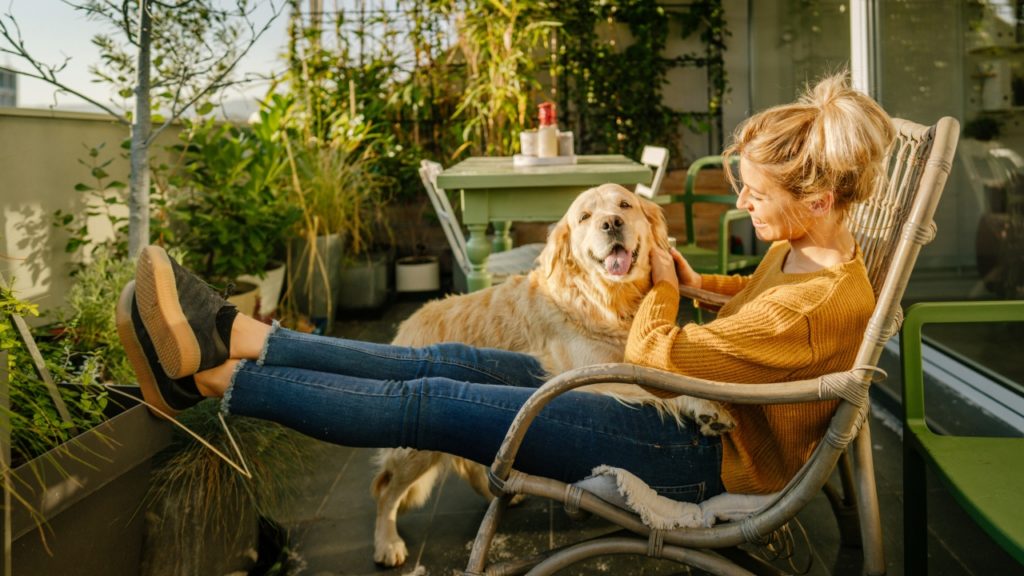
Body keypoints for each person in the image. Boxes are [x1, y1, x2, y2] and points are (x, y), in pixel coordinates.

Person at [117, 72, 892, 502]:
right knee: (435, 363)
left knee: (432, 407)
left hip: (686, 449)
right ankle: (240, 332)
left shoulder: (820, 298)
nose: (743, 203)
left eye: (756, 193)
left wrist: (660, 285)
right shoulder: (814, 253)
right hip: (651, 402)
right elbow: (754, 304)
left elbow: (665, 358)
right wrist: (697, 279)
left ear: (818, 197)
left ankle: (216, 378)